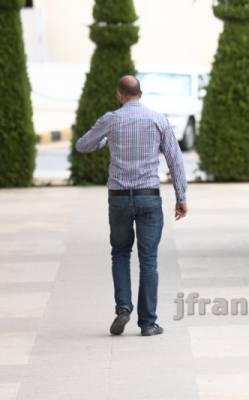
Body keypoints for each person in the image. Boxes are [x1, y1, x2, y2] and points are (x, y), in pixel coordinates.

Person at [76, 75, 188, 337]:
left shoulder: (111, 120)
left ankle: (123, 308)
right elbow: (175, 160)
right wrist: (181, 197)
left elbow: (83, 145)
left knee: (120, 253)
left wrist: (105, 140)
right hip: (149, 197)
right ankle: (147, 323)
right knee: (148, 259)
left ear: (119, 94)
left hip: (119, 199)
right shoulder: (158, 119)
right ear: (141, 93)